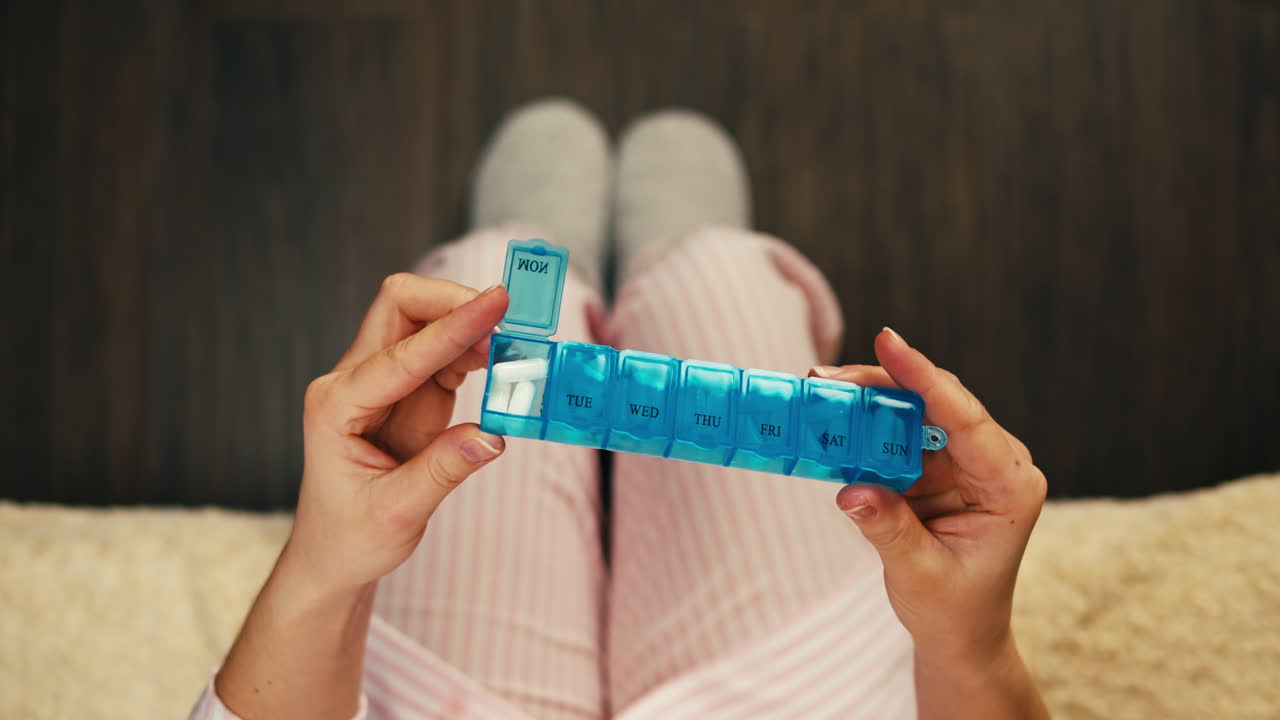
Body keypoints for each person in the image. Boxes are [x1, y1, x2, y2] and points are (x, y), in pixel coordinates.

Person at [190, 99, 1050, 720]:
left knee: (503, 281)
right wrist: (966, 650)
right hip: (796, 695)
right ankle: (667, 264)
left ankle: (551, 260)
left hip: (442, 704)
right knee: (712, 279)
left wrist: (318, 568)